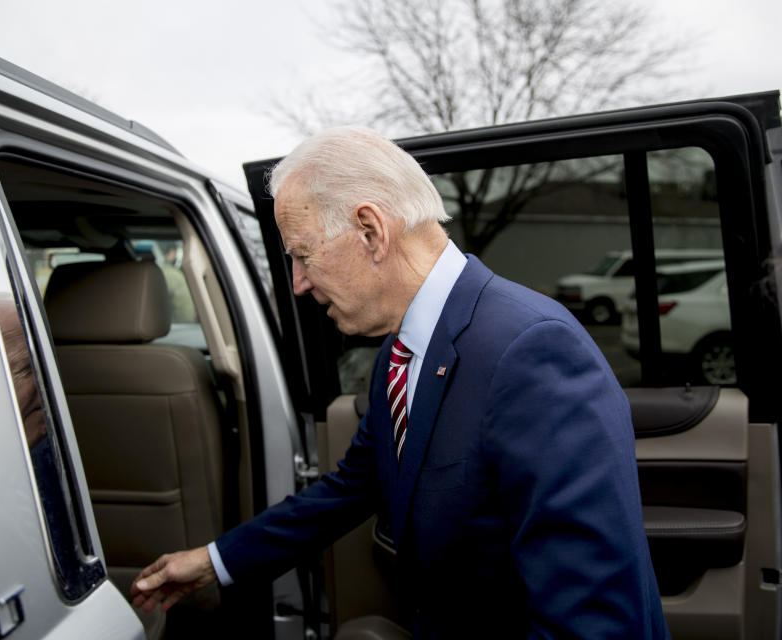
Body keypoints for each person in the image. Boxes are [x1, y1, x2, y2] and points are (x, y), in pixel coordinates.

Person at [130, 126, 669, 638]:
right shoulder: (403, 347)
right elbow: (351, 487)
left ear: (371, 231)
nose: (297, 283)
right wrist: (215, 561)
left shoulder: (531, 350)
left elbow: (594, 617)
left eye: (301, 254)